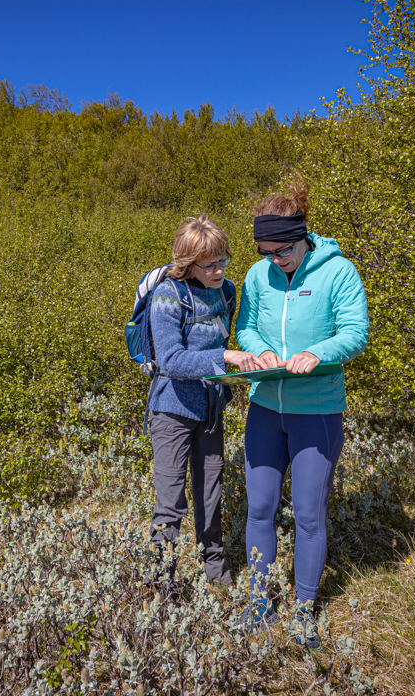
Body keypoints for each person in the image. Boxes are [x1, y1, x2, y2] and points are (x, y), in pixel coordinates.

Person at [234, 178, 369, 646]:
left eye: (282, 250)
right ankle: (259, 603)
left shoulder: (338, 272)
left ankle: (305, 611)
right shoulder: (257, 276)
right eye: (266, 252)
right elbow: (246, 329)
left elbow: (356, 331)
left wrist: (321, 353)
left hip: (319, 411)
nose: (275, 260)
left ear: (301, 236)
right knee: (261, 507)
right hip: (265, 408)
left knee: (309, 515)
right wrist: (260, 353)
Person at [147, 216, 264, 587]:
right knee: (171, 503)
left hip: (211, 409)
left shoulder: (226, 291)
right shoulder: (168, 296)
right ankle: (160, 584)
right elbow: (171, 361)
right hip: (172, 410)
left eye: (223, 260)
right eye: (209, 263)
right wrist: (225, 357)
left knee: (210, 495)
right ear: (188, 263)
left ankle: (216, 574)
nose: (218, 270)